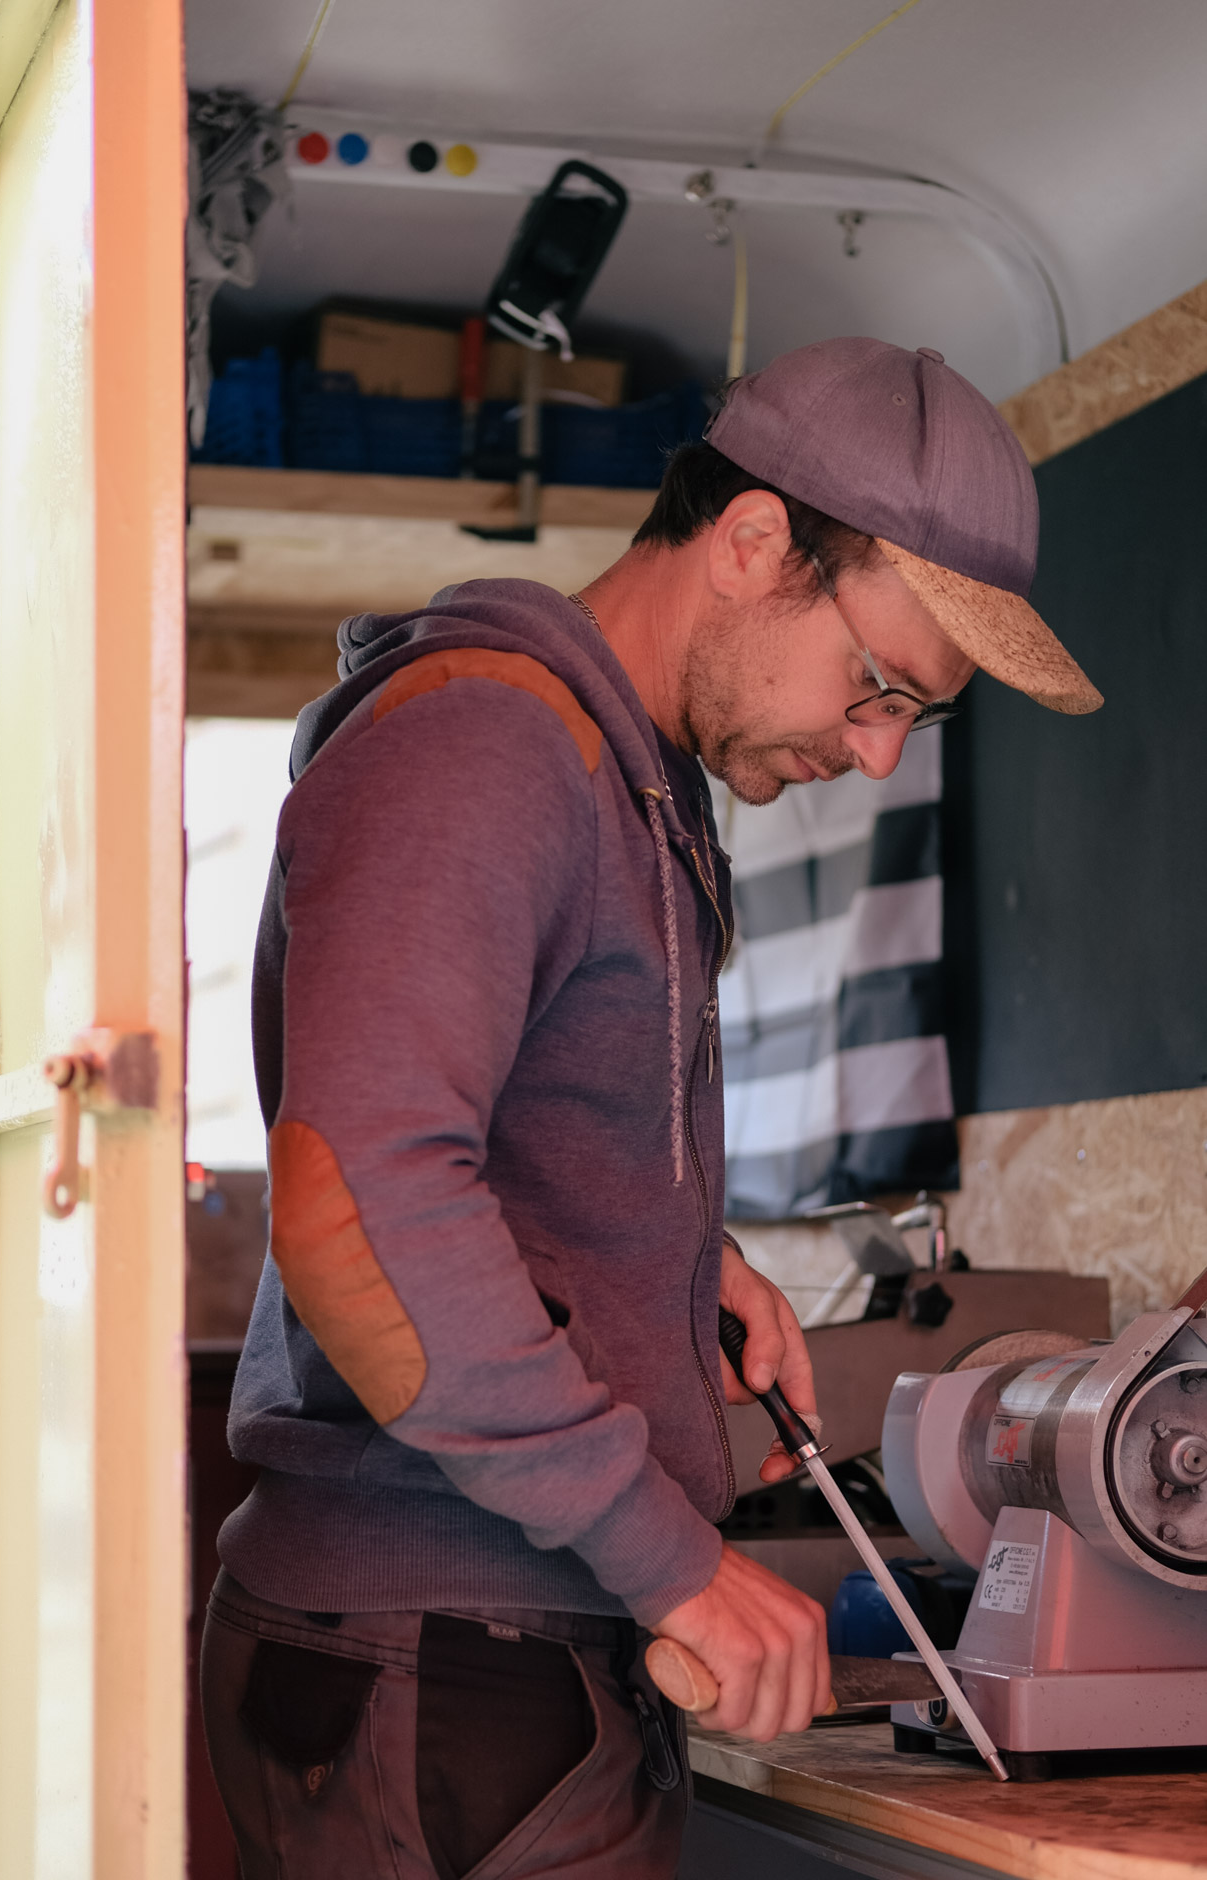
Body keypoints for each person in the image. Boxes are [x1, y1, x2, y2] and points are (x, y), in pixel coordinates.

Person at [201, 338, 1101, 1878]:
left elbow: (513, 1152)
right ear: (751, 542)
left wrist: (679, 1274)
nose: (876, 751)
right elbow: (361, 1209)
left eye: (917, 719)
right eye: (875, 685)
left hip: (510, 1632)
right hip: (445, 1646)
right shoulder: (487, 748)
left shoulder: (632, 783)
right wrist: (669, 1558)